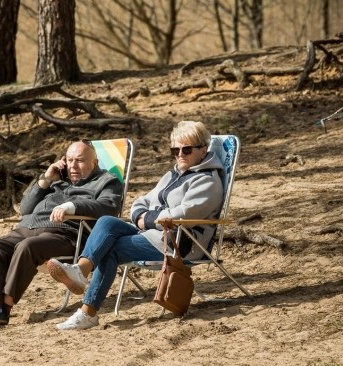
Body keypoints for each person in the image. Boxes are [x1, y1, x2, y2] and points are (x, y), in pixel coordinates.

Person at [46, 121, 224, 330]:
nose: (180, 154)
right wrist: (142, 215)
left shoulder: (208, 181)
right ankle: (81, 270)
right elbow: (141, 201)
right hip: (152, 233)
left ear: (203, 150)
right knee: (106, 222)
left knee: (111, 249)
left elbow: (182, 214)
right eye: (175, 150)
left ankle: (88, 312)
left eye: (186, 149)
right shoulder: (173, 174)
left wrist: (145, 219)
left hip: (180, 242)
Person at [0, 141, 123, 329]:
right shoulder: (58, 181)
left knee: (28, 247)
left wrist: (72, 207)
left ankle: (4, 308)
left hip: (66, 235)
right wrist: (46, 179)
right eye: (69, 160)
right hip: (26, 229)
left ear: (95, 163)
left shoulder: (107, 180)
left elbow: (109, 207)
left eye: (80, 160)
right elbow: (25, 208)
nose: (73, 165)